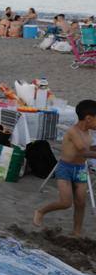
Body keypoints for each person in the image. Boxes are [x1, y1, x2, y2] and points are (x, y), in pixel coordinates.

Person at [33, 100, 96, 237]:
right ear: (88, 118)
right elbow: (82, 152)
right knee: (65, 202)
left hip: (80, 169)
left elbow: (87, 149)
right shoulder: (73, 132)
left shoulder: (88, 133)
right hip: (65, 168)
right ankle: (41, 211)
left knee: (81, 203)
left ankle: (76, 232)